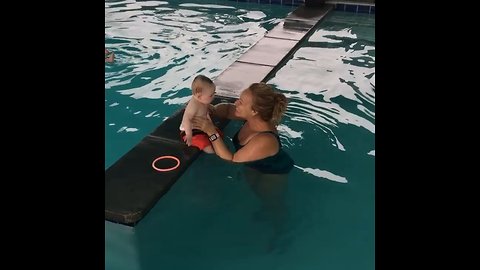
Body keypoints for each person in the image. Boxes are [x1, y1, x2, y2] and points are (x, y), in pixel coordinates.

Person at [191, 82, 294, 252]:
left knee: (273, 203)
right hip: (254, 165)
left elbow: (231, 158)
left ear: (254, 111)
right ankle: (265, 211)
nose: (236, 102)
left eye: (241, 101)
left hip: (272, 173)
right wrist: (211, 109)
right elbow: (229, 110)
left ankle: (281, 231)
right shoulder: (252, 118)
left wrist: (211, 131)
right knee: (258, 193)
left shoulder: (264, 139)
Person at [179, 75, 220, 154]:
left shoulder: (203, 101)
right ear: (199, 96)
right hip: (191, 130)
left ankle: (217, 147)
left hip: (201, 126)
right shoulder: (193, 105)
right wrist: (189, 135)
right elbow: (187, 119)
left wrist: (210, 124)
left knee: (217, 134)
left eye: (214, 93)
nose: (214, 96)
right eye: (211, 95)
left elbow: (205, 112)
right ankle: (213, 152)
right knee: (205, 144)